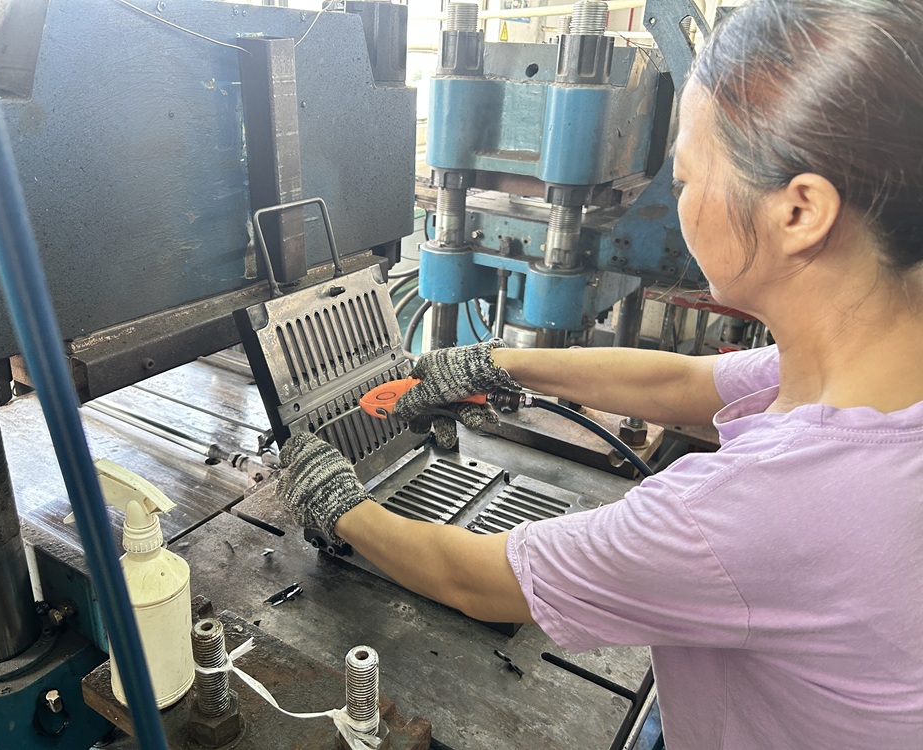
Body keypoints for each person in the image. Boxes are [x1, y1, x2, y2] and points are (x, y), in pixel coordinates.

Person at [275, 0, 923, 747]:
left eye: (685, 177)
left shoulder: (761, 506)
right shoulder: (874, 367)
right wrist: (494, 362)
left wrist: (339, 506)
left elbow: (479, 581)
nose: (675, 199)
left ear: (800, 211)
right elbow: (681, 386)